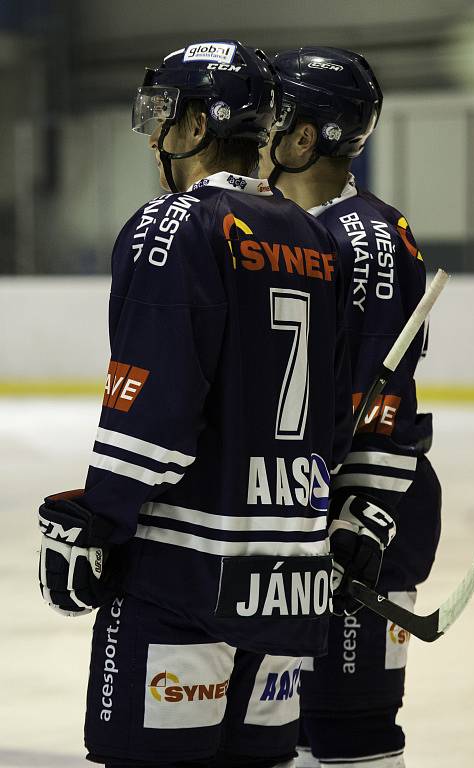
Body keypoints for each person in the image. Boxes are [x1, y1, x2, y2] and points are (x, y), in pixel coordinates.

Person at [37, 40, 359, 768]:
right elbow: (333, 420)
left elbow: (153, 402)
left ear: (197, 124)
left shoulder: (176, 221)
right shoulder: (314, 238)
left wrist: (97, 519)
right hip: (288, 582)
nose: (157, 134)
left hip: (185, 575)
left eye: (166, 114)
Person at [259, 47, 442, 768]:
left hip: (356, 530)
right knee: (288, 732)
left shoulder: (363, 237)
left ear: (305, 136)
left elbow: (381, 401)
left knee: (347, 729)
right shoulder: (274, 221)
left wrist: (358, 516)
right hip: (293, 529)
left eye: (271, 112)